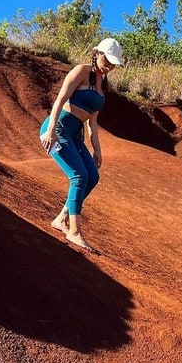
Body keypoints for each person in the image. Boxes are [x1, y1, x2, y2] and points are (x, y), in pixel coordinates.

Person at [39, 37, 123, 251]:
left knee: (92, 176)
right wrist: (50, 131)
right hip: (58, 129)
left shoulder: (103, 83)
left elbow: (92, 122)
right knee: (79, 176)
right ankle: (74, 231)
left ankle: (61, 219)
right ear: (98, 54)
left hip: (75, 134)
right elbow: (59, 99)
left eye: (114, 63)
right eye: (109, 60)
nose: (111, 66)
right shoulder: (81, 71)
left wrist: (97, 150)